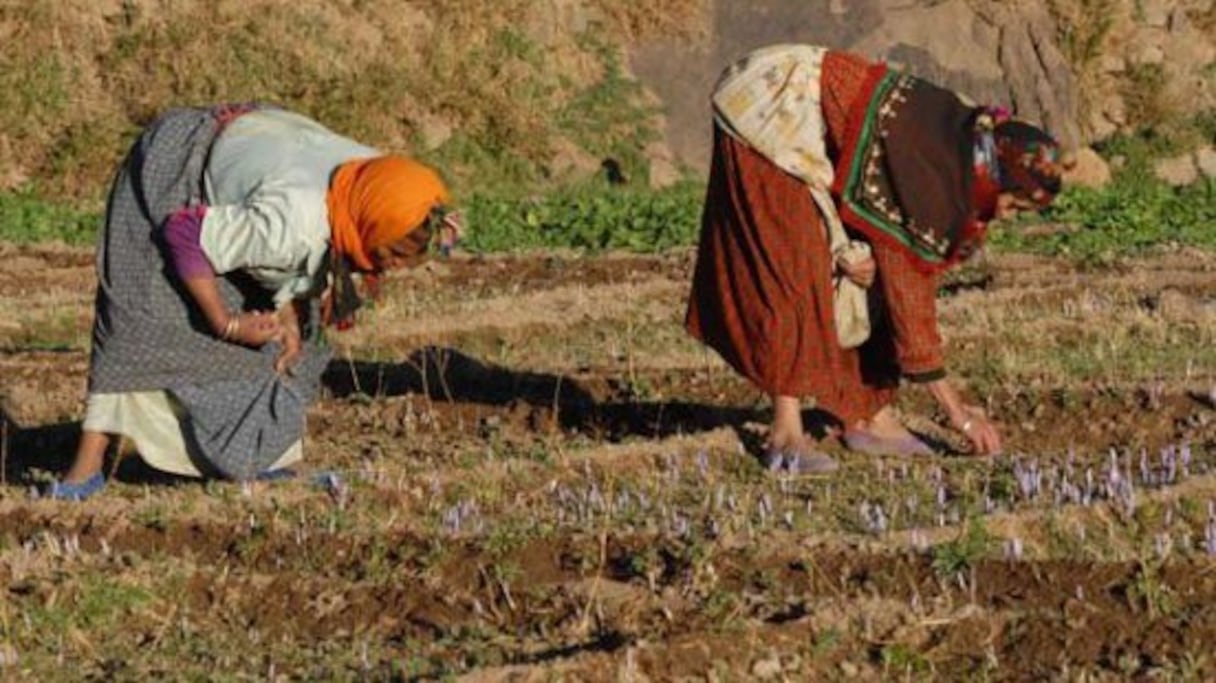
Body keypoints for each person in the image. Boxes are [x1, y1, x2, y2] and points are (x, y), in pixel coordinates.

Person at [685, 45, 1069, 472]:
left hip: (817, 128)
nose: (1003, 215)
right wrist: (958, 413)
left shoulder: (956, 150)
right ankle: (786, 429)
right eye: (1012, 205)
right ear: (993, 174)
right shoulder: (928, 178)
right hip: (769, 106)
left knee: (869, 275)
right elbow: (911, 300)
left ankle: (868, 413)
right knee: (793, 262)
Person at [49, 104, 461, 500]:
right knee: (141, 323)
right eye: (392, 255)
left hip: (256, 157)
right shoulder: (292, 225)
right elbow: (184, 234)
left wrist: (289, 310)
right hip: (175, 172)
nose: (391, 268)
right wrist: (225, 322)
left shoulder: (375, 184)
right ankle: (88, 461)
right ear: (368, 222)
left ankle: (260, 457)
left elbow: (307, 252)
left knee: (288, 343)